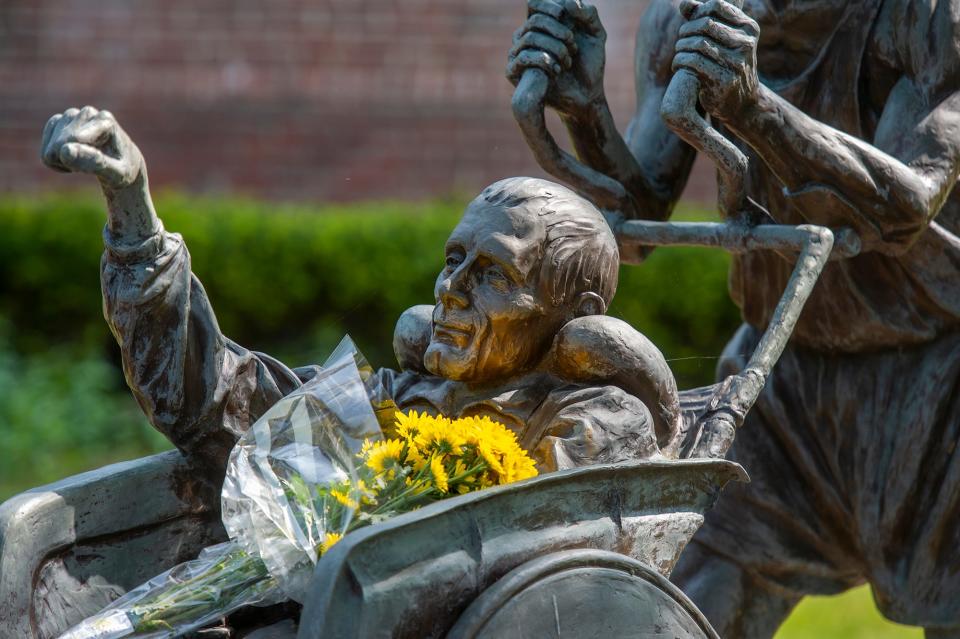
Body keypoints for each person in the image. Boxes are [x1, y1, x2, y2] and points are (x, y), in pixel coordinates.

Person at [508, 0, 960, 636]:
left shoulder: (927, 17)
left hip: (940, 379)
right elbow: (635, 222)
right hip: (785, 379)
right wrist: (585, 111)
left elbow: (907, 200)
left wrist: (754, 108)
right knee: (688, 610)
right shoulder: (688, 19)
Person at [39, 106, 673, 486]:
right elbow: (214, 398)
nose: (451, 291)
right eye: (454, 262)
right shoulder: (389, 401)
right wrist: (133, 214)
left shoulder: (600, 423)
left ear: (573, 316)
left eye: (494, 275)